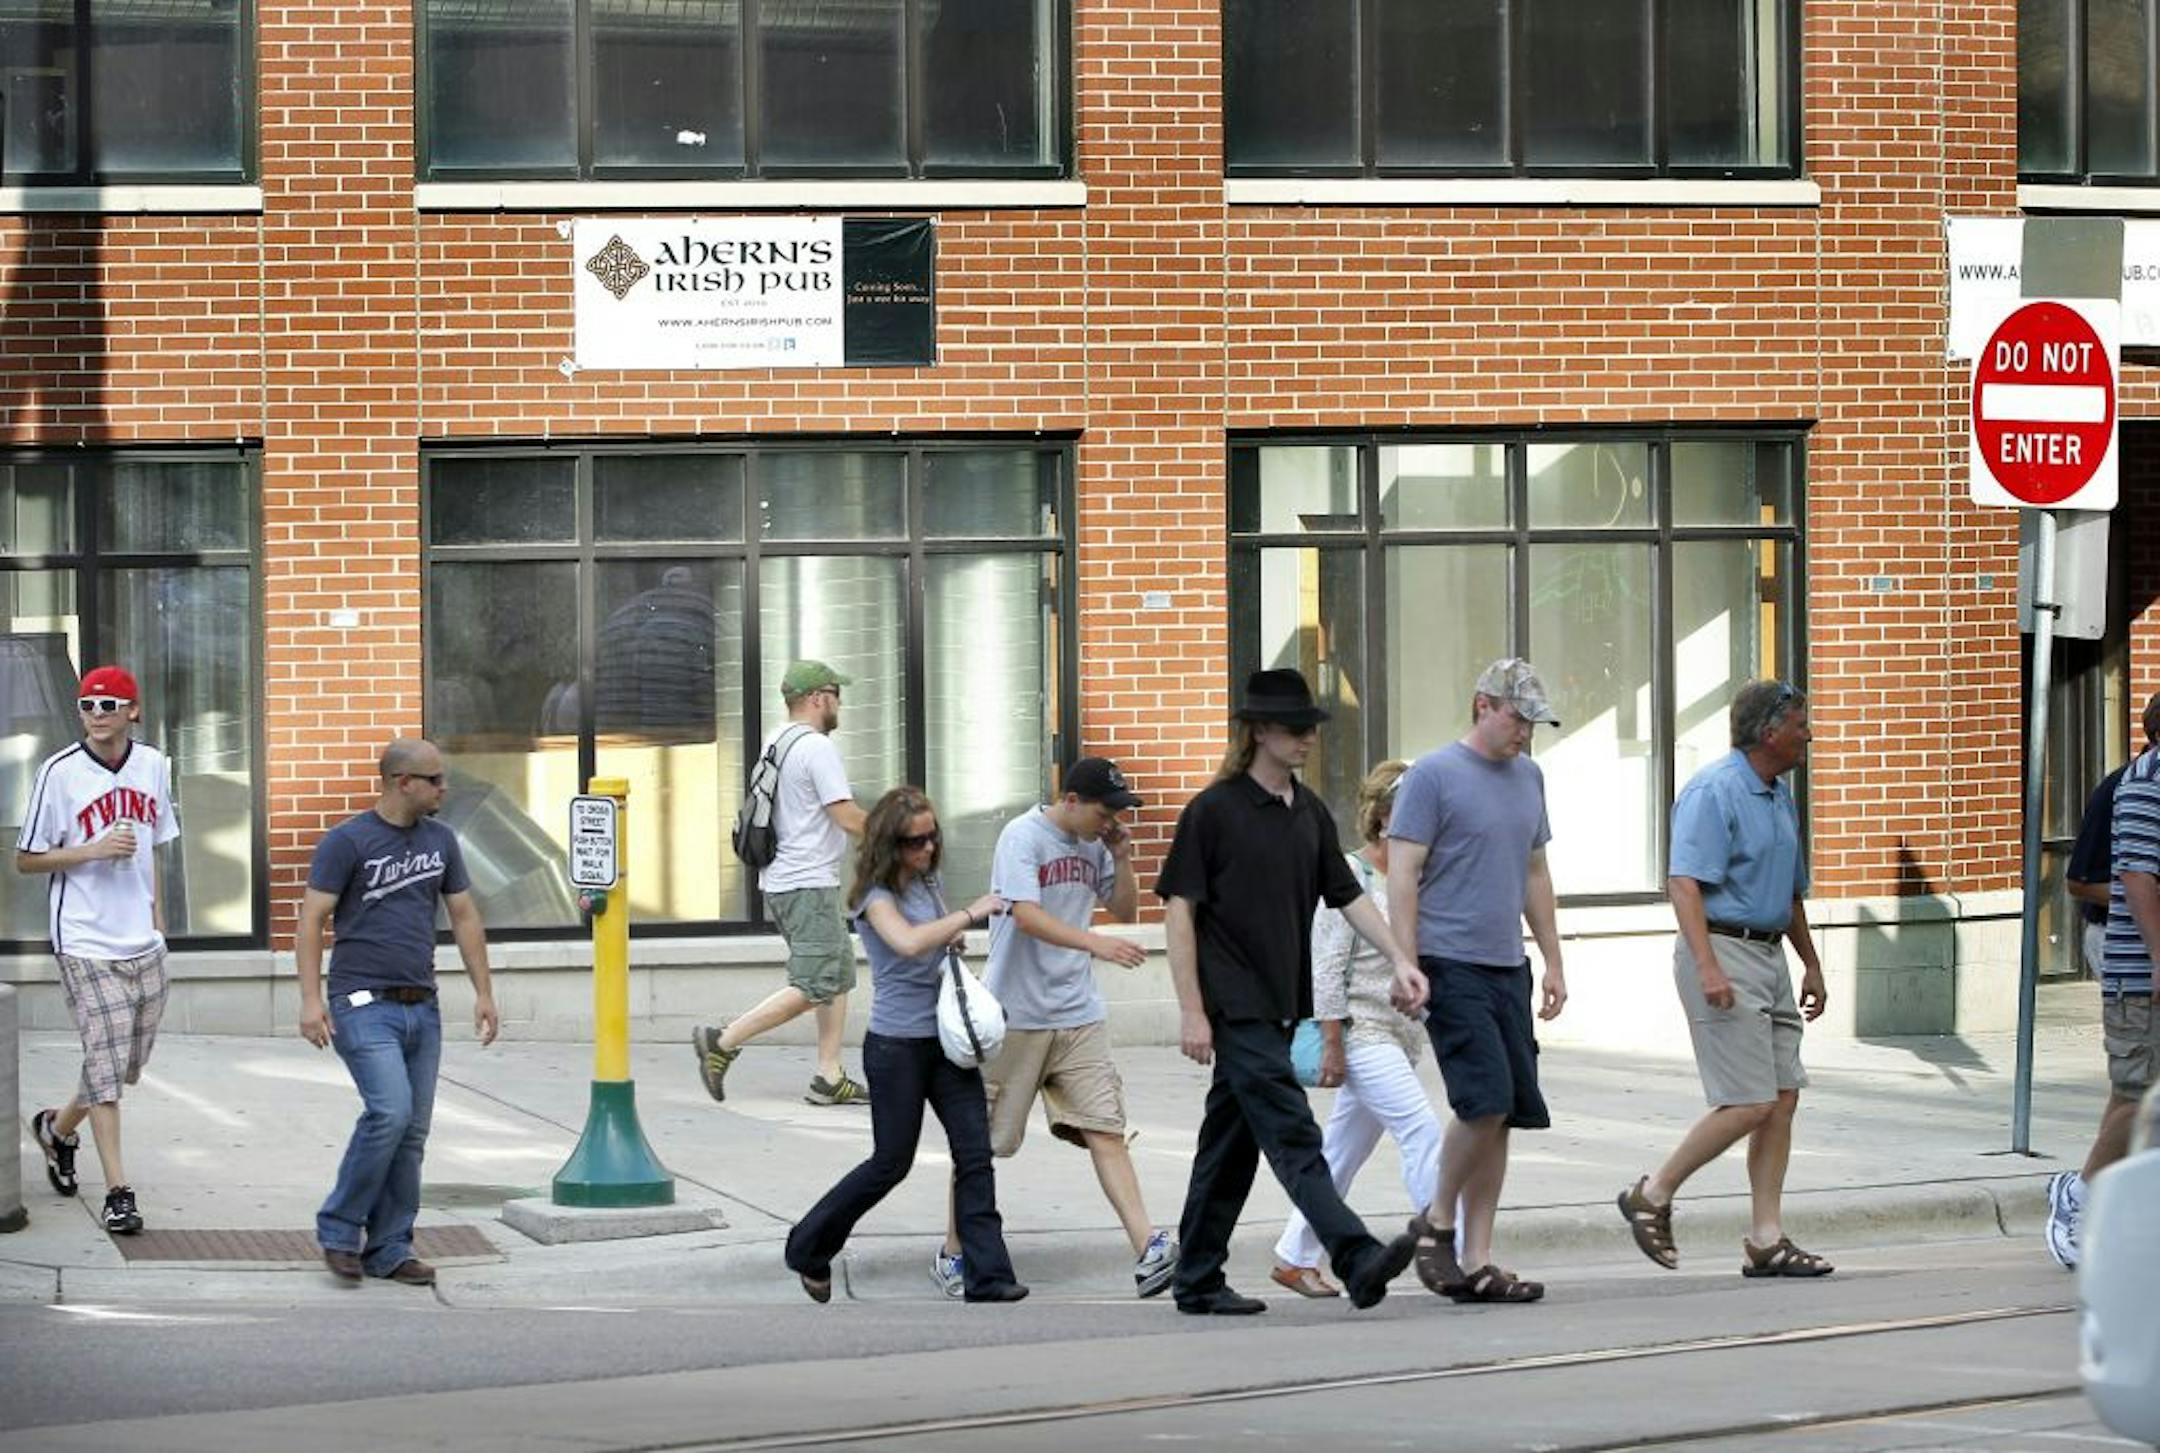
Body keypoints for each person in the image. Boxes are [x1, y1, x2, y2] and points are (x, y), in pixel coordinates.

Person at [1157, 668, 1426, 1316]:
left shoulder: (1304, 811)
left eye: (1312, 727)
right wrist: (1192, 1009)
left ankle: (1196, 1276)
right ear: (1260, 731)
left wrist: (1400, 958)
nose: (1309, 737)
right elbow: (1177, 911)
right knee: (1293, 1134)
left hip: (1282, 1005)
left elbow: (1349, 894)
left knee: (1228, 1146)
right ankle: (1354, 1254)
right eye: (1297, 727)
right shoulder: (1214, 811)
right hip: (1234, 1006)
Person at [934, 757, 1177, 1300]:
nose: (1110, 818)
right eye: (1104, 810)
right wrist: (1095, 944)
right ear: (1070, 799)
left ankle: (1149, 1249)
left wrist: (1120, 855)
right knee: (983, 1143)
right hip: (1015, 1013)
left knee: (1106, 1129)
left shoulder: (1097, 845)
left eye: (1118, 810)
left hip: (1078, 1012)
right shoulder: (1022, 837)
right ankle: (953, 1252)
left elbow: (1123, 906)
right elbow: (1025, 913)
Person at [1617, 680, 1831, 1280]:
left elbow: (1789, 891)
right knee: (1750, 1101)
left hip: (1769, 956)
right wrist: (1707, 964)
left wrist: (1810, 962)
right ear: (1770, 732)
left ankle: (1767, 1238)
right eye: (1800, 724)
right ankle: (1652, 1194)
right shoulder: (1714, 790)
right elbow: (1683, 883)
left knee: (1783, 1097)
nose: (1808, 734)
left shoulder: (1778, 794)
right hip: (1722, 950)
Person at [784, 787, 1028, 1304]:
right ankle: (808, 1245)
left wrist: (950, 935)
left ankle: (990, 1276)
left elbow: (929, 941)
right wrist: (968, 915)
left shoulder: (926, 882)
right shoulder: (875, 897)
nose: (928, 849)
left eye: (933, 838)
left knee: (974, 1154)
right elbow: (909, 942)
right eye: (916, 841)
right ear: (891, 844)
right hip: (896, 1047)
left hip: (944, 1042)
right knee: (890, 1163)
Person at [1387, 658, 1568, 1305]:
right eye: (1518, 718)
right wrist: (1405, 960)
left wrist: (1552, 960)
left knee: (1506, 1113)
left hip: (1506, 965)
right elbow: (1402, 873)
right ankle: (1438, 1221)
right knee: (1482, 1098)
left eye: (1533, 722)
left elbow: (1535, 872)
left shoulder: (1530, 777)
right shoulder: (1433, 776)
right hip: (1448, 960)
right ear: (1483, 705)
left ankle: (1478, 1257)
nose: (1525, 732)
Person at [299, 738, 500, 1285]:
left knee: (411, 1132)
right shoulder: (347, 842)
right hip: (362, 1004)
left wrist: (483, 992)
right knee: (388, 1113)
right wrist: (311, 999)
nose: (443, 788)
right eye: (434, 780)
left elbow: (463, 917)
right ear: (400, 782)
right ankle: (339, 1230)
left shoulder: (442, 841)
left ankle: (389, 1248)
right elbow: (312, 919)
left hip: (422, 1007)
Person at [1270, 759, 1443, 1300]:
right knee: (1422, 1131)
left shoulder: (1416, 876)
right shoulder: (1352, 875)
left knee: (1342, 1152)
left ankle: (1294, 1257)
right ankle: (1449, 1246)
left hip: (1401, 1033)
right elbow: (1324, 964)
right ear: (1387, 816)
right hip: (1359, 1029)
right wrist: (1331, 1040)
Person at [17, 665, 181, 1236]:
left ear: (133, 711)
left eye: (110, 704)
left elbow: (155, 847)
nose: (97, 713)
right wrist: (89, 850)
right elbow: (26, 858)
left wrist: (156, 920)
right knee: (108, 1073)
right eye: (88, 704)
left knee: (122, 1063)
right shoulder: (58, 773)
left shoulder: (155, 765)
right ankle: (118, 1193)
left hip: (141, 940)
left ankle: (57, 1129)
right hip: (83, 939)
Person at [693, 660, 871, 1107]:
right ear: (817, 698)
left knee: (837, 974)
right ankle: (724, 1040)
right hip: (806, 883)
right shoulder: (817, 748)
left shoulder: (777, 741)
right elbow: (846, 815)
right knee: (815, 982)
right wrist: (901, 836)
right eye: (835, 694)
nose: (840, 703)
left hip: (785, 881)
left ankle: (829, 1075)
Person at [2051, 692, 2160, 1268]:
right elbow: (2133, 877)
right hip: (2138, 970)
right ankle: (2080, 1197)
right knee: (2136, 1094)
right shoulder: (2137, 785)